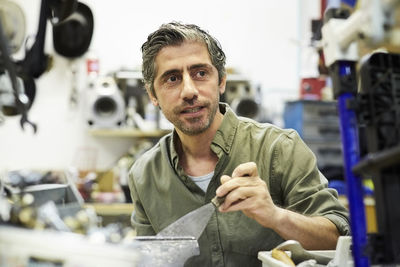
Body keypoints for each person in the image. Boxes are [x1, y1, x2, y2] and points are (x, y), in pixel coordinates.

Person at [128, 22, 350, 266]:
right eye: (172, 78)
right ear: (152, 95)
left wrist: (276, 216)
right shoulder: (144, 176)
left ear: (221, 81)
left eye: (200, 73)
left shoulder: (280, 149)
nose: (189, 91)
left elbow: (339, 240)